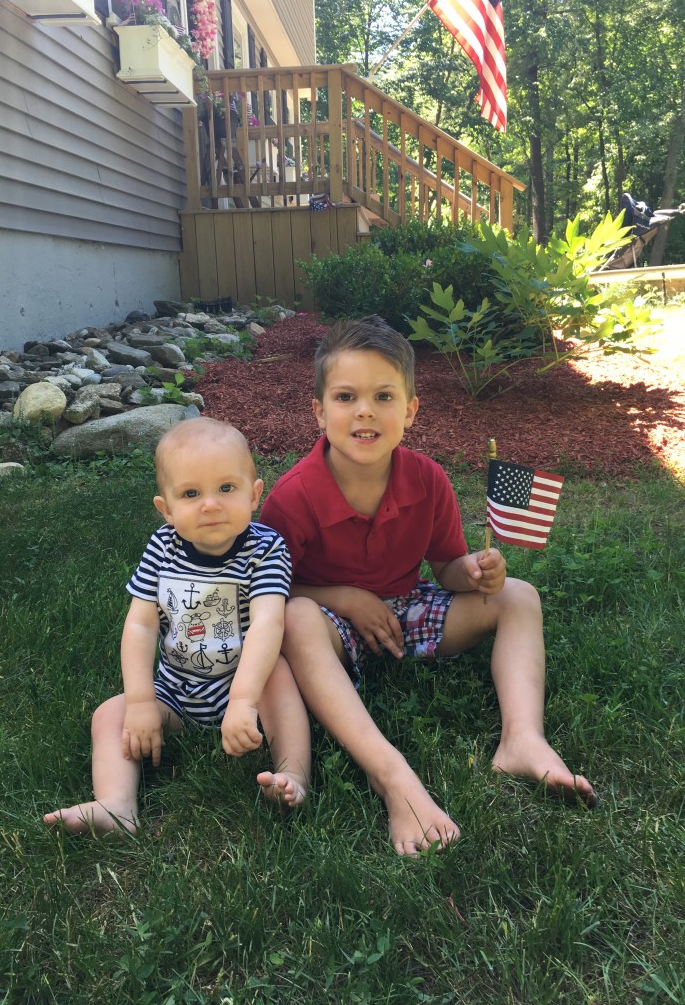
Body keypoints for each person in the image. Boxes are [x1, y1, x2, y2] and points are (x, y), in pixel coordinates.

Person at [260, 316, 596, 856]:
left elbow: (446, 569)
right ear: (319, 411)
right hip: (325, 631)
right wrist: (345, 598)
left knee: (519, 596)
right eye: (346, 396)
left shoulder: (427, 479)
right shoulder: (293, 498)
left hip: (408, 611)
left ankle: (522, 738)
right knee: (295, 618)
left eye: (384, 395)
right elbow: (269, 595)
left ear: (411, 411)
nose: (364, 410)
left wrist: (475, 572)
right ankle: (390, 773)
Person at [45, 417, 310, 835]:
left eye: (227, 488)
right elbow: (141, 627)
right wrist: (140, 702)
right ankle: (116, 804)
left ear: (254, 494)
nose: (210, 504)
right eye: (191, 493)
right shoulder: (161, 548)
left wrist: (243, 700)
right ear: (165, 510)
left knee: (280, 677)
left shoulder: (265, 548)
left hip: (247, 681)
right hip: (176, 688)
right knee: (109, 714)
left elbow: (267, 622)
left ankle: (292, 775)